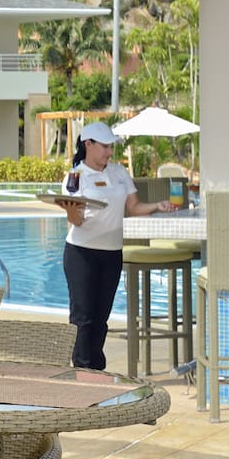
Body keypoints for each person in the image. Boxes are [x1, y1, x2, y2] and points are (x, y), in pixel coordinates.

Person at [60, 121, 174, 370]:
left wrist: (157, 206)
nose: (109, 152)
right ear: (88, 144)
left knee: (101, 318)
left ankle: (96, 369)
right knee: (83, 318)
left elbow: (133, 207)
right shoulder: (76, 177)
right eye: (105, 147)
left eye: (111, 147)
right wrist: (70, 211)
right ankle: (82, 370)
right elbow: (77, 221)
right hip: (82, 253)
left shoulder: (119, 172)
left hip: (112, 253)